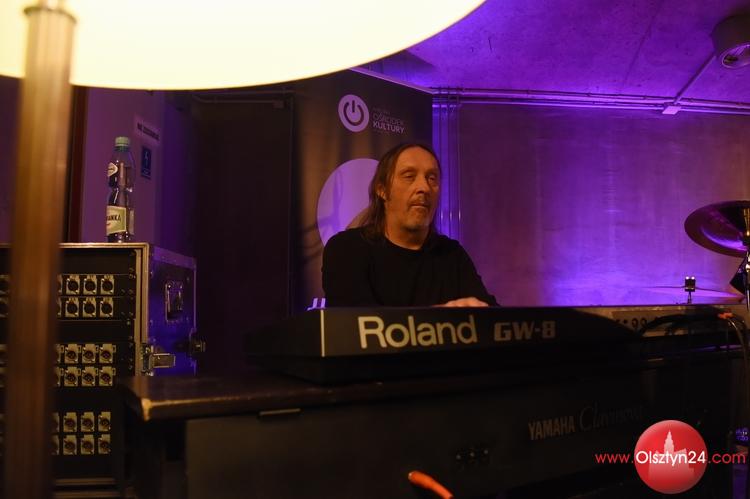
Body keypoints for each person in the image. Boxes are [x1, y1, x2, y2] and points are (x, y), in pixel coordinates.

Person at [322, 142, 497, 307]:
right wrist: (443, 317)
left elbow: (492, 318)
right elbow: (356, 323)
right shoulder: (346, 248)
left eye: (432, 178)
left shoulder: (452, 254)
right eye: (409, 177)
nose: (424, 188)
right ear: (382, 190)